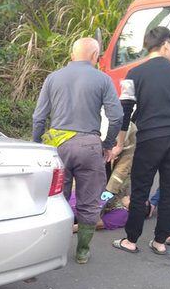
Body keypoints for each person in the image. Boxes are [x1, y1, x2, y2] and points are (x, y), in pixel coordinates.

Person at [32, 37, 124, 264]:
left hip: (57, 147)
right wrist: (107, 143)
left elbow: (38, 117)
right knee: (89, 200)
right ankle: (82, 251)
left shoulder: (53, 78)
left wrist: (37, 146)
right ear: (95, 56)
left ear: (72, 55)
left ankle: (53, 250)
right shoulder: (102, 79)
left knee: (56, 199)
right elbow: (117, 116)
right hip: (89, 145)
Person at [112, 26, 170, 256]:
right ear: (166, 44)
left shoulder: (134, 74)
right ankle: (160, 242)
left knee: (140, 190)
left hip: (150, 138)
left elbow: (125, 113)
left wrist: (119, 143)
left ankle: (131, 240)